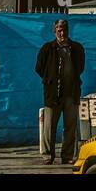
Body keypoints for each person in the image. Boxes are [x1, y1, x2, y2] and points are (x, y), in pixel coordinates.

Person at [34, 18, 85, 165]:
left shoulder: (76, 48)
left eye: (64, 30)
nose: (62, 33)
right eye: (59, 30)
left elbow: (80, 67)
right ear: (54, 31)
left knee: (70, 126)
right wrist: (49, 80)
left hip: (71, 93)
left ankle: (67, 155)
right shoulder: (47, 48)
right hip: (53, 94)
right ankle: (47, 156)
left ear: (68, 31)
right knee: (49, 127)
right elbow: (39, 68)